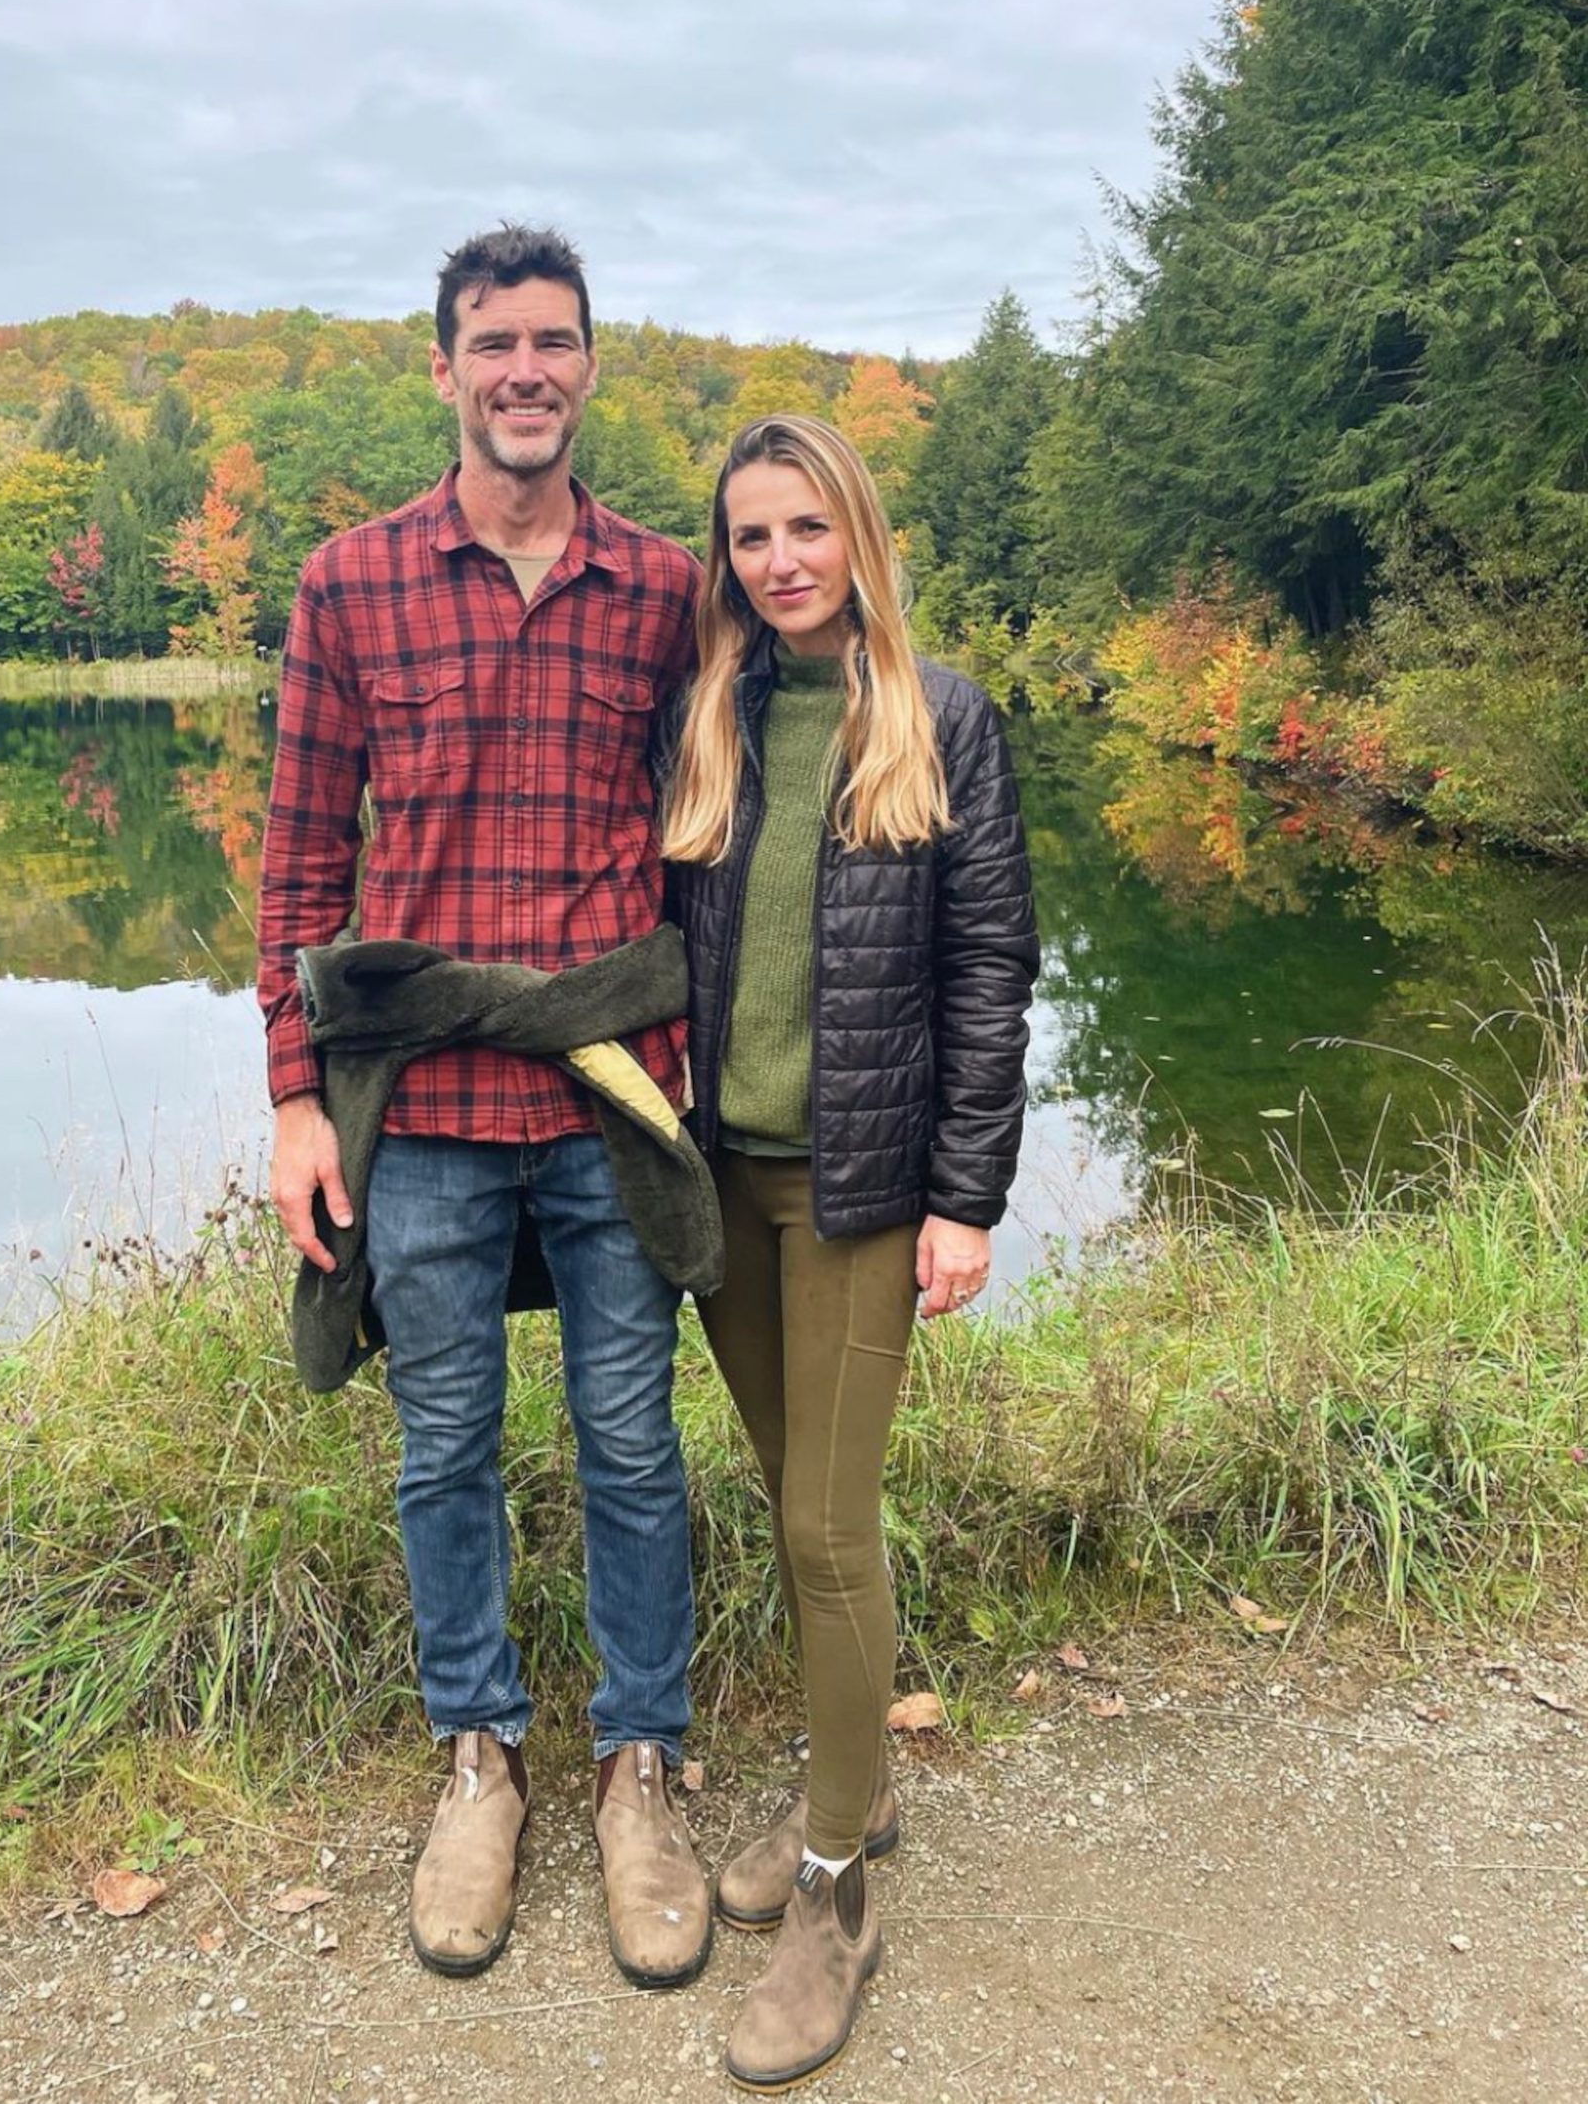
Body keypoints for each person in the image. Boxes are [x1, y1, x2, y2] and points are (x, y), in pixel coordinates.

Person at [257, 225, 715, 1990]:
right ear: (441, 369)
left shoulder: (671, 588)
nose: (526, 369)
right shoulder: (348, 585)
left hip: (609, 1093)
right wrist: (298, 1100)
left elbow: (717, 844)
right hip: (427, 1101)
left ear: (592, 367)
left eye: (556, 341)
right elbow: (301, 862)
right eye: (493, 342)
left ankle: (638, 1764)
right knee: (441, 1442)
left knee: (632, 1447)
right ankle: (479, 1755)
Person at [663, 414, 1039, 2090]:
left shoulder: (941, 716)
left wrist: (969, 1197)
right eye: (751, 536)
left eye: (806, 526)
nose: (781, 560)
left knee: (827, 1522)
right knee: (784, 1490)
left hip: (868, 1191)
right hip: (725, 1181)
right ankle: (852, 1778)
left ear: (858, 532)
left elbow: (990, 975)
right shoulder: (720, 714)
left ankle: (837, 1881)